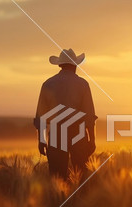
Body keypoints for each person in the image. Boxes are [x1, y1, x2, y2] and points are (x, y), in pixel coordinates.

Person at [34, 48, 97, 179]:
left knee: (57, 177)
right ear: (75, 65)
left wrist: (41, 140)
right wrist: (92, 140)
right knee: (80, 176)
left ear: (60, 65)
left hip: (57, 132)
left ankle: (58, 199)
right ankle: (79, 198)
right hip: (78, 132)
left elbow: (41, 116)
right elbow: (89, 115)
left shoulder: (48, 84)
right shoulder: (82, 84)